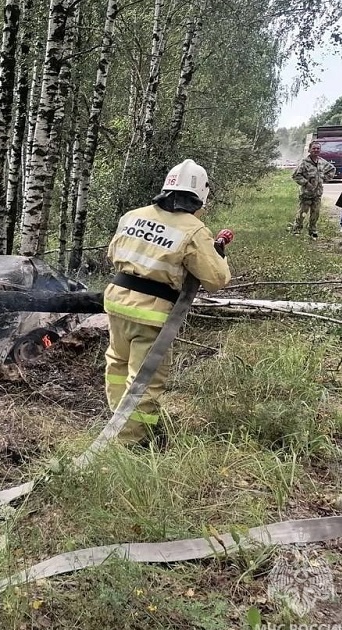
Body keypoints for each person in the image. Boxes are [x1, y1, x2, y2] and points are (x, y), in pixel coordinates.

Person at [104, 159, 233, 445]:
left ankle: (117, 421)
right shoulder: (194, 230)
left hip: (116, 302)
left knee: (117, 365)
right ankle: (131, 443)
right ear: (200, 196)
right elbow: (215, 279)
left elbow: (113, 254)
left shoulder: (133, 215)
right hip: (151, 314)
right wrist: (219, 253)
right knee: (144, 381)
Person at [290, 141, 336, 238]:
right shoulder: (304, 163)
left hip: (317, 193)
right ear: (310, 150)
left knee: (316, 213)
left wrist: (325, 178)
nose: (316, 150)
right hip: (306, 193)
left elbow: (332, 169)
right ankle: (297, 229)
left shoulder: (322, 162)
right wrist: (306, 183)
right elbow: (295, 175)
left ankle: (312, 230)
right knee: (302, 212)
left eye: (318, 148)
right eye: (314, 148)